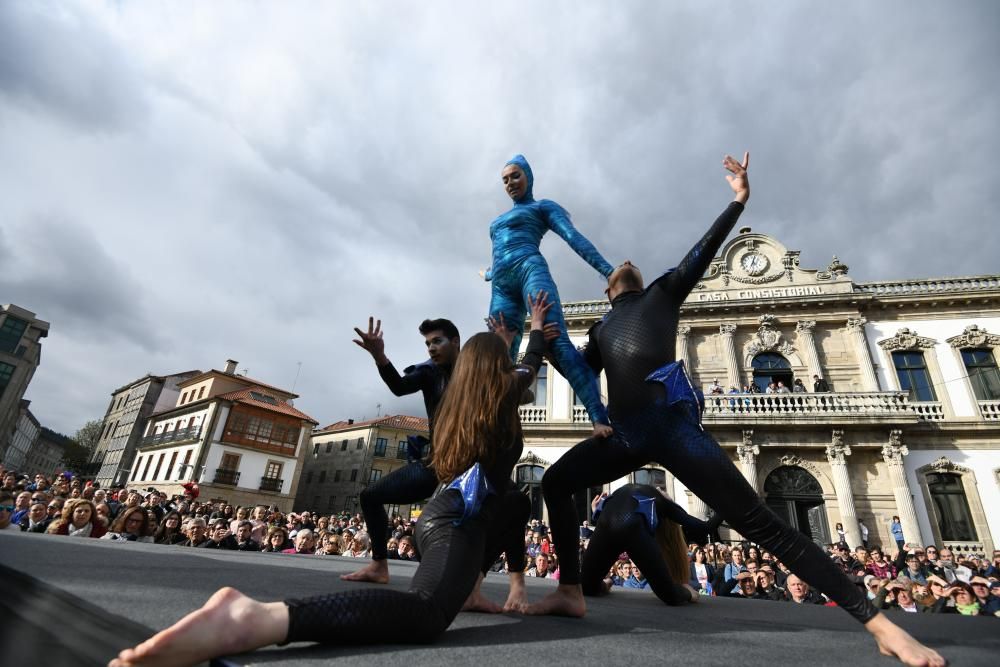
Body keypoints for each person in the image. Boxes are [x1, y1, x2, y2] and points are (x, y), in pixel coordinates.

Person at [522, 153, 944, 667]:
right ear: (608, 290)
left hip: (676, 432)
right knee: (555, 482)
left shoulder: (663, 292)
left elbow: (702, 251)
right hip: (630, 435)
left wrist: (738, 198)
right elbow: (574, 373)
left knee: (763, 525)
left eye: (632, 263)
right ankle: (570, 590)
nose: (627, 260)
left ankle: (881, 626)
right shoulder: (603, 330)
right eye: (618, 267)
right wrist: (538, 340)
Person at [107, 293, 550, 667]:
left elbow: (505, 367)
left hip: (447, 514)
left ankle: (471, 587)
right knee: (426, 614)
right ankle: (261, 619)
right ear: (497, 371)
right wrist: (530, 327)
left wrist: (503, 341)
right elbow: (530, 361)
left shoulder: (457, 401)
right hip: (453, 521)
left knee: (515, 504)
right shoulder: (497, 391)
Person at [484, 154, 613, 439]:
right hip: (502, 286)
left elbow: (572, 237)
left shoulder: (543, 207)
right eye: (504, 180)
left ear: (529, 177)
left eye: (515, 176)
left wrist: (608, 271)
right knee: (497, 352)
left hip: (531, 269)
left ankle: (598, 417)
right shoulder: (496, 222)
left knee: (557, 341)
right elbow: (500, 253)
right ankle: (496, 422)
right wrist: (490, 274)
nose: (510, 183)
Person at [342, 316, 460, 584]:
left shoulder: (475, 371)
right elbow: (398, 386)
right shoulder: (429, 372)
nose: (431, 348)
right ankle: (379, 565)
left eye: (437, 341)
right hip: (435, 463)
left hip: (467, 467)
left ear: (455, 341)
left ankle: (509, 583)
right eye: (427, 343)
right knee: (370, 496)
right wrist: (380, 357)